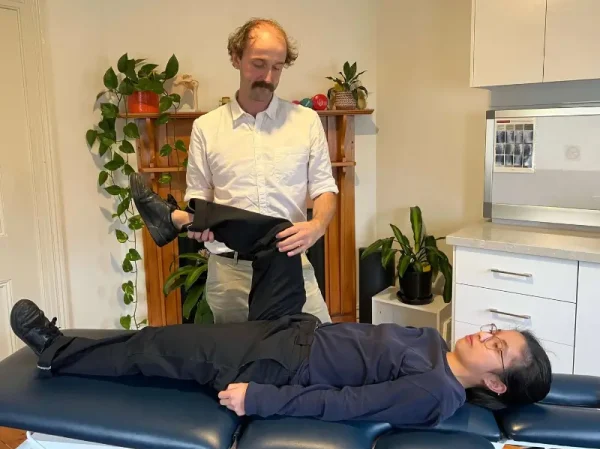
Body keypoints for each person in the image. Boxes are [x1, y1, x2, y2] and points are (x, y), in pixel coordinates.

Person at [9, 174, 552, 427]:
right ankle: (176, 220)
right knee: (283, 234)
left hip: (275, 361)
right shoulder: (435, 346)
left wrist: (263, 400)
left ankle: (58, 351)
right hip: (296, 327)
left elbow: (348, 406)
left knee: (159, 344)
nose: (484, 333)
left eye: (497, 346)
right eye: (494, 330)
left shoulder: (436, 394)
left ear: (498, 383)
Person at [182, 18, 338, 325]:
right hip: (230, 274)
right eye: (258, 64)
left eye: (277, 67)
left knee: (321, 356)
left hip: (291, 265)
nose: (268, 76)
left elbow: (324, 188)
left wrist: (317, 225)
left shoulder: (306, 121)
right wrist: (198, 224)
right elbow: (198, 196)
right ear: (236, 58)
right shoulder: (206, 128)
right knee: (239, 366)